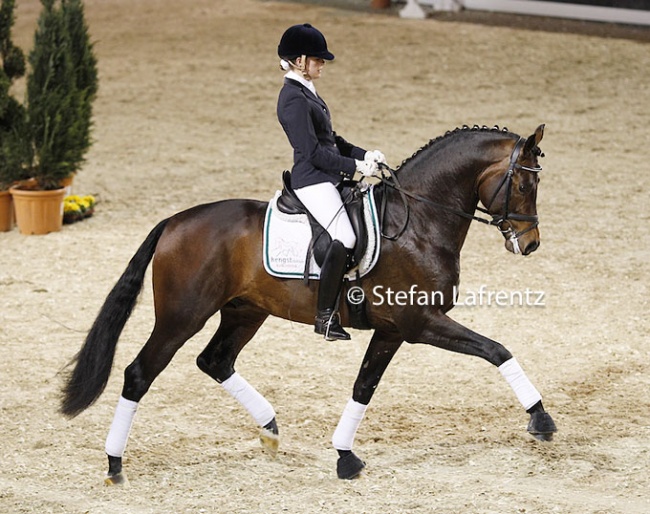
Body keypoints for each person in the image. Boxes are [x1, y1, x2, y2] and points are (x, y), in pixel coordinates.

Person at [276, 23, 386, 341]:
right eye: (317, 59)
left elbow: (331, 140)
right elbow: (311, 152)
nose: (322, 64)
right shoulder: (292, 98)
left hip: (326, 174)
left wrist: (366, 154)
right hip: (312, 180)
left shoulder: (305, 91)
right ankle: (324, 316)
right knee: (345, 236)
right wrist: (355, 166)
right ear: (299, 61)